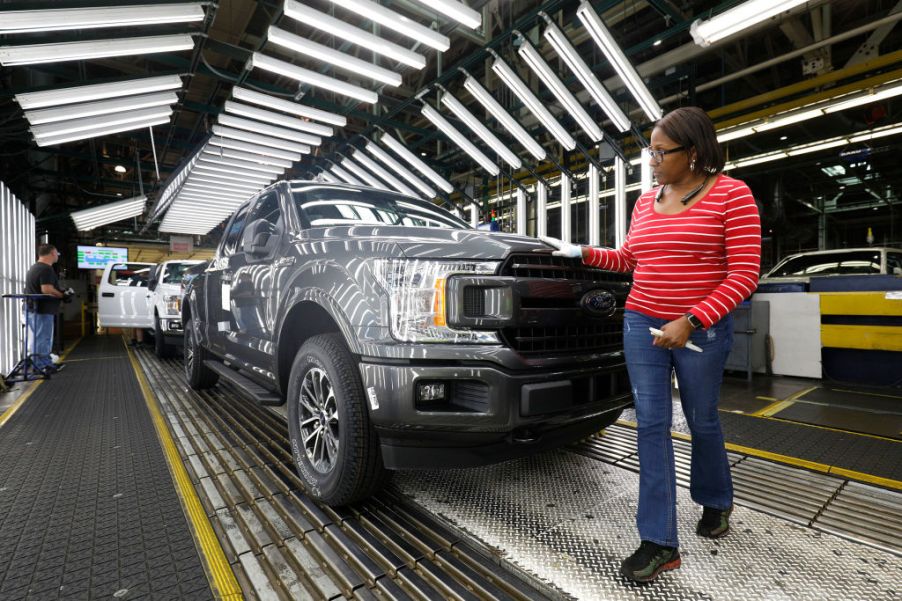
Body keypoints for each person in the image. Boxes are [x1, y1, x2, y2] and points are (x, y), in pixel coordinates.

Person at [541, 106, 761, 583]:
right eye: (651, 152)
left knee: (702, 420)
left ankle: (716, 500)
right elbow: (628, 259)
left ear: (695, 152)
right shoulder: (646, 202)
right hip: (642, 321)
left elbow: (744, 274)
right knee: (650, 426)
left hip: (701, 329)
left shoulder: (732, 195)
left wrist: (693, 317)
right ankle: (659, 541)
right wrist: (582, 252)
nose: (653, 161)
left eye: (661, 153)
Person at [25, 244, 69, 375]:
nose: (57, 256)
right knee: (42, 338)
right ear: (51, 253)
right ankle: (41, 366)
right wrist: (62, 295)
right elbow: (46, 289)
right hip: (42, 310)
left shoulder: (35, 267)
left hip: (34, 309)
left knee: (39, 338)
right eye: (56, 253)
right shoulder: (46, 269)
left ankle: (44, 363)